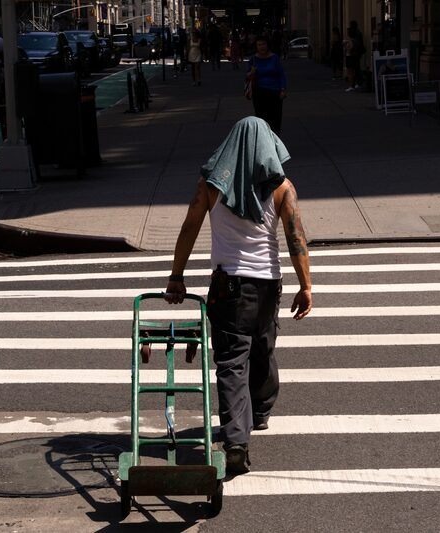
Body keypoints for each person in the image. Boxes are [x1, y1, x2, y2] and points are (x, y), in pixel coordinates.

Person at [164, 116, 312, 474]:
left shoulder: (210, 185)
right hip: (268, 284)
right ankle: (259, 411)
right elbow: (295, 237)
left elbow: (190, 226)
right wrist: (305, 285)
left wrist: (177, 276)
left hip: (227, 285)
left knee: (231, 362)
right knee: (263, 346)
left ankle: (236, 441)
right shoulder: (282, 188)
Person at [246, 35, 287, 134]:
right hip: (259, 93)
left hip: (275, 92)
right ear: (256, 47)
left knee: (275, 119)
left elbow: (281, 74)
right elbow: (247, 76)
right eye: (259, 45)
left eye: (263, 44)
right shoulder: (253, 59)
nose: (262, 47)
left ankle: (275, 139)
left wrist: (283, 89)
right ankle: (264, 139)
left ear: (268, 45)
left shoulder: (274, 58)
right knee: (262, 119)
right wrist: (251, 73)